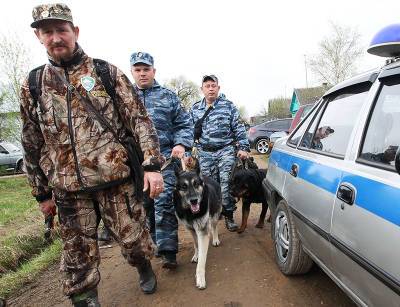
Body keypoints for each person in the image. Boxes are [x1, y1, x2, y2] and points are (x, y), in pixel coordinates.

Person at [20, 4, 165, 306]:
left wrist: (152, 165)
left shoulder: (105, 73)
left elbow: (140, 120)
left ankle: (142, 265)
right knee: (77, 260)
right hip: (68, 190)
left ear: (75, 31)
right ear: (38, 36)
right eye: (48, 32)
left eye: (61, 30)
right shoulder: (34, 85)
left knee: (134, 243)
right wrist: (41, 193)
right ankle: (85, 298)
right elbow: (31, 142)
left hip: (116, 181)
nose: (56, 37)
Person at [130, 52, 193, 268]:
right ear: (132, 72)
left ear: (153, 71)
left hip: (164, 159)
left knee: (164, 202)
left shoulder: (168, 96)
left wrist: (180, 144)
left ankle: (168, 251)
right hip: (135, 163)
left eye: (146, 69)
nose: (142, 74)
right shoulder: (124, 97)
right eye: (137, 70)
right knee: (144, 205)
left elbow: (185, 124)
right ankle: (154, 243)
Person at [190, 75, 250, 231]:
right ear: (202, 89)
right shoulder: (195, 109)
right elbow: (189, 131)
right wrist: (188, 152)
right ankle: (214, 214)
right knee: (209, 186)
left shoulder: (228, 106)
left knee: (225, 184)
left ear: (218, 88)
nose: (210, 88)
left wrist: (243, 147)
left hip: (225, 151)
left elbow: (238, 127)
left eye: (213, 85)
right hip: (205, 153)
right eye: (207, 86)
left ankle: (229, 215)